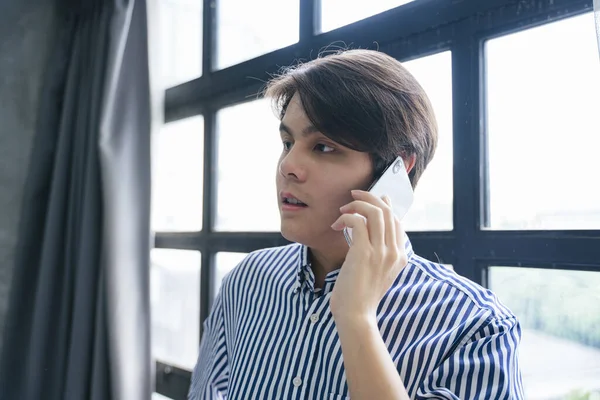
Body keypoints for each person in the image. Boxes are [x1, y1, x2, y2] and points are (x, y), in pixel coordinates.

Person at [188, 49, 524, 399]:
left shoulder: (475, 328)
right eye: (287, 142)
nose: (288, 165)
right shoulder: (246, 283)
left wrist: (357, 319)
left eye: (323, 147)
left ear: (398, 170)